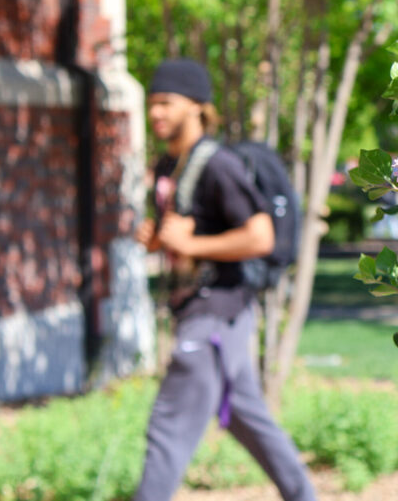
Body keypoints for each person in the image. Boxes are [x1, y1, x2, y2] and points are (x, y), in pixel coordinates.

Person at [134, 58, 316, 501]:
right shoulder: (168, 165)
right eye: (151, 104)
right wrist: (160, 241)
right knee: (245, 417)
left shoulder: (219, 165)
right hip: (214, 312)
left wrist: (192, 246)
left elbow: (260, 235)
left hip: (216, 311)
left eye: (165, 103)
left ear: (197, 106)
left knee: (168, 427)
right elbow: (192, 232)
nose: (155, 113)